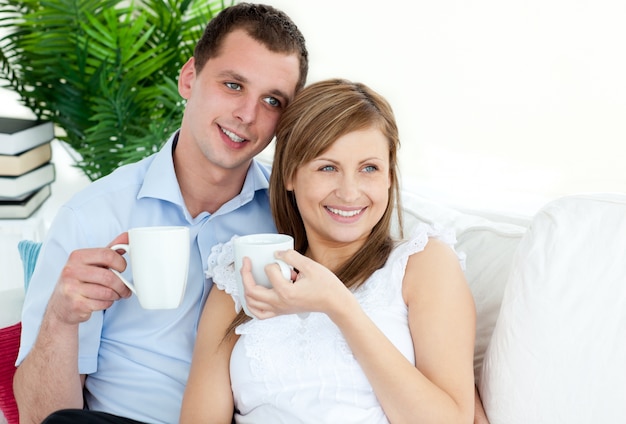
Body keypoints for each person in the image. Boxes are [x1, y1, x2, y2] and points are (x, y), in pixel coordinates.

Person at [13, 3, 308, 424]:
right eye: (233, 85)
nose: (248, 114)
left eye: (272, 100)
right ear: (189, 78)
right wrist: (61, 318)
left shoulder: (292, 219)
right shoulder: (93, 216)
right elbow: (42, 417)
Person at [180, 78, 477, 423]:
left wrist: (339, 306)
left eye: (369, 168)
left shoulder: (423, 264)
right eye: (327, 167)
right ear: (289, 174)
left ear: (390, 178)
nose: (350, 193)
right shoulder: (239, 278)